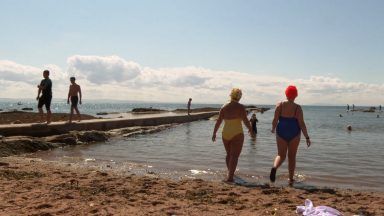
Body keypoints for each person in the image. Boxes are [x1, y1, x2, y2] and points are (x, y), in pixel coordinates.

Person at [212, 88, 255, 183]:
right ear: (239, 97)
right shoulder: (240, 107)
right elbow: (245, 120)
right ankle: (230, 178)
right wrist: (250, 130)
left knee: (229, 154)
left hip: (225, 133)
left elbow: (219, 121)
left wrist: (214, 133)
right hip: (237, 133)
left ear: (231, 95)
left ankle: (230, 173)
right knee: (234, 156)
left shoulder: (224, 106)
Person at [270, 85, 310, 185]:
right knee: (292, 156)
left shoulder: (279, 105)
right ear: (295, 95)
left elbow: (275, 120)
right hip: (294, 131)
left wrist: (273, 129)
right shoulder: (297, 108)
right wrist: (307, 137)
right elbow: (301, 123)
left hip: (281, 130)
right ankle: (291, 179)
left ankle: (275, 167)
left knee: (280, 154)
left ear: (286, 93)